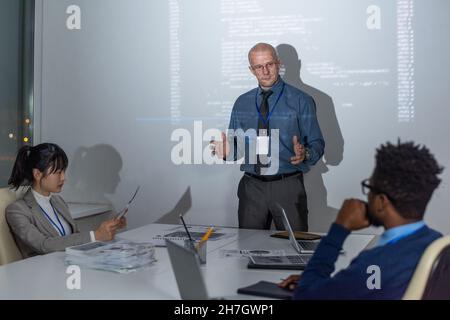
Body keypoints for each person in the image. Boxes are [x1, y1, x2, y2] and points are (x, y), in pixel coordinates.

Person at [279, 140, 443, 299]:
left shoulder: (375, 264)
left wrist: (339, 228)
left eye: (369, 187)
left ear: (381, 202)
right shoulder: (438, 245)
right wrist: (328, 284)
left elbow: (305, 296)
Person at [211, 43, 324, 231]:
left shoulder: (301, 100)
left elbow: (317, 143)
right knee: (249, 249)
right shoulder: (242, 102)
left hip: (287, 186)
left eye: (269, 64)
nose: (265, 71)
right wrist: (225, 151)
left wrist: (306, 154)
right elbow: (236, 149)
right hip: (252, 188)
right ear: (251, 70)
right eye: (258, 67)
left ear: (278, 63)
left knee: (294, 251)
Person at [6, 143, 126, 258]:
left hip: (70, 265)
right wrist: (95, 235)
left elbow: (74, 237)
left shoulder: (58, 201)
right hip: (43, 272)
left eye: (63, 171)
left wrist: (106, 230)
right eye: (58, 172)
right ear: (37, 174)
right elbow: (44, 245)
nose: (64, 178)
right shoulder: (17, 210)